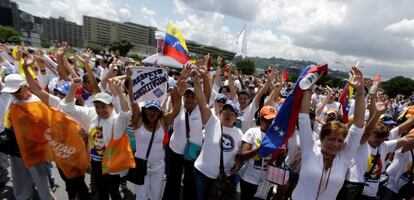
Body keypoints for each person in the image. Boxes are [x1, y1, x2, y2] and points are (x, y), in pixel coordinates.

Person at [292, 66, 366, 200]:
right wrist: (308, 88)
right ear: (321, 137)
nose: (336, 144)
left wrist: (360, 91)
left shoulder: (344, 157)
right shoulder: (310, 149)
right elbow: (303, 117)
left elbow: (358, 126)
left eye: (340, 140)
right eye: (331, 139)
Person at [60, 77, 131, 200]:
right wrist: (73, 87)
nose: (100, 110)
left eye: (104, 107)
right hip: (96, 162)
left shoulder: (117, 120)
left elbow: (126, 113)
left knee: (113, 192)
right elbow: (67, 108)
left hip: (112, 163)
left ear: (112, 106)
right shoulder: (92, 114)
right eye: (97, 106)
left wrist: (119, 91)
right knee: (101, 192)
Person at [128, 72, 183, 200]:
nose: (152, 112)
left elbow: (175, 110)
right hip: (141, 166)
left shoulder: (163, 121)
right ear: (145, 110)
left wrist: (179, 95)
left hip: (159, 167)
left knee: (156, 197)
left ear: (159, 112)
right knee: (141, 197)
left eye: (155, 110)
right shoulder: (138, 121)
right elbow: (133, 102)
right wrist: (131, 82)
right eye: (150, 109)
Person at [191, 69, 243, 200]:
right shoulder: (212, 122)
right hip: (202, 174)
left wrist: (237, 160)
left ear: (236, 117)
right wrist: (197, 81)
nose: (228, 115)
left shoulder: (239, 133)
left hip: (223, 178)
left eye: (231, 113)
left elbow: (239, 153)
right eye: (225, 112)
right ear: (220, 113)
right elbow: (202, 103)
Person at [2, 73, 55, 200]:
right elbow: (8, 122)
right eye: (12, 91)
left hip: (34, 148)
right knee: (19, 175)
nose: (15, 94)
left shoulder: (37, 101)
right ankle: (23, 197)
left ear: (25, 87)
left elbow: (48, 124)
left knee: (40, 177)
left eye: (17, 90)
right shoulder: (13, 102)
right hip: (16, 146)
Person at [163, 64, 210, 200]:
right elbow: (173, 95)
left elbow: (206, 95)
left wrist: (205, 77)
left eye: (192, 97)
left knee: (190, 182)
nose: (189, 99)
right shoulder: (179, 107)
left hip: (193, 152)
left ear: (196, 99)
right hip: (175, 151)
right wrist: (182, 77)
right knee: (173, 180)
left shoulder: (200, 110)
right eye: (187, 96)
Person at [239, 105, 278, 200]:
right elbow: (243, 155)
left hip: (265, 182)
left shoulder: (277, 136)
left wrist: (280, 155)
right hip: (249, 180)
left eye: (272, 121)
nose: (269, 123)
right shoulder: (252, 132)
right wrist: (258, 150)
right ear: (261, 119)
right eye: (267, 120)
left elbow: (275, 162)